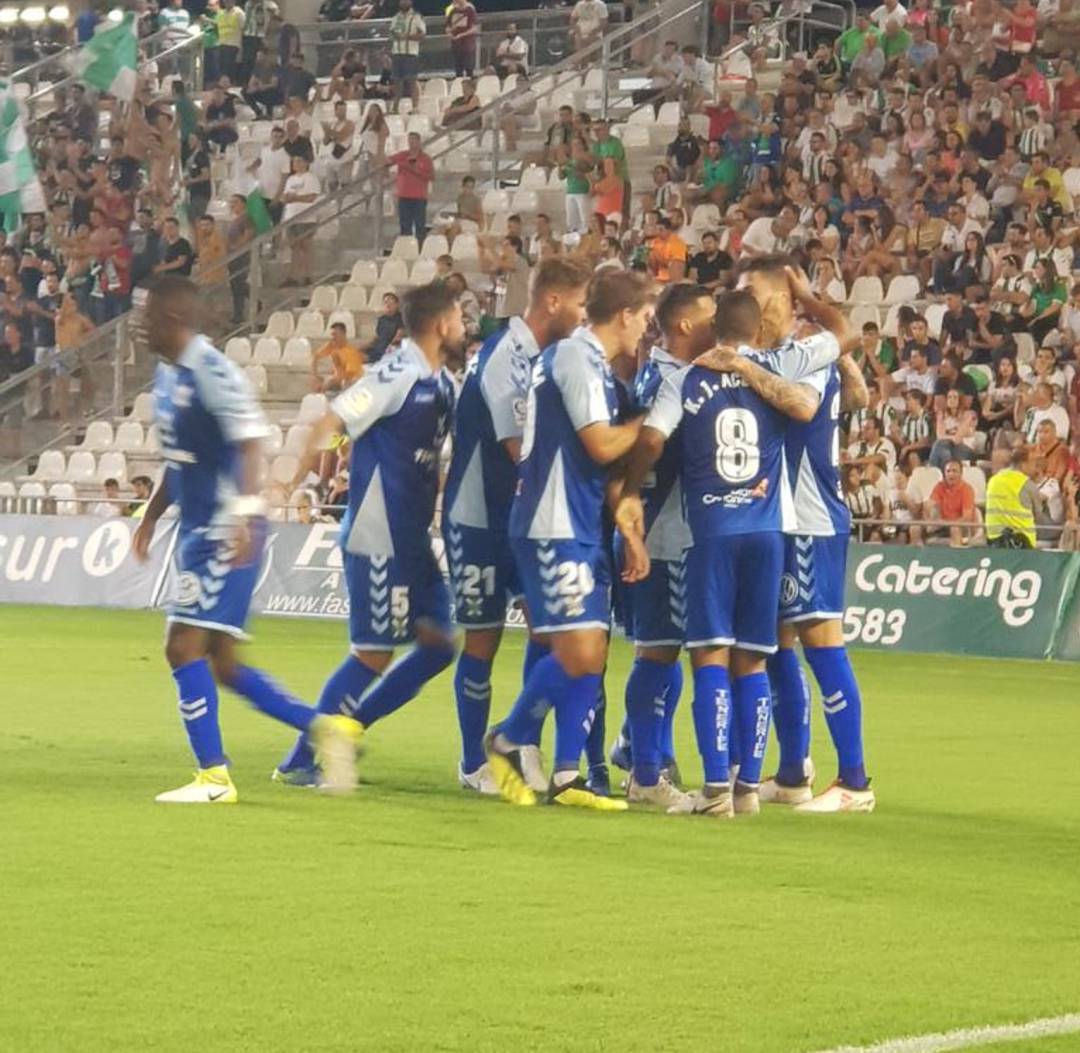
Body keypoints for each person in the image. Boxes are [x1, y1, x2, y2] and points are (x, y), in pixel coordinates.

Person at [131, 276, 359, 803]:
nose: (138, 323)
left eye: (147, 314)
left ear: (171, 318)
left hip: (224, 531)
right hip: (197, 530)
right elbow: (180, 458)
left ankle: (214, 777)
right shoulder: (167, 375)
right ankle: (327, 731)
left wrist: (243, 514)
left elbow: (250, 441)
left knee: (182, 647)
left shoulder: (211, 369)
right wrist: (151, 516)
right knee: (224, 664)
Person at [273, 282, 462, 784]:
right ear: (443, 323)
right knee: (373, 653)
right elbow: (335, 418)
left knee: (440, 645)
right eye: (461, 316)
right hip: (379, 534)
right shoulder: (396, 374)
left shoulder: (442, 382)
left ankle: (347, 728)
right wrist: (297, 479)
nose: (466, 325)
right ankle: (301, 760)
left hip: (413, 538)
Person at [484, 271, 650, 811]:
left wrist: (624, 521)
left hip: (578, 521)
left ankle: (566, 775)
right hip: (551, 522)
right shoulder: (575, 358)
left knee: (592, 652)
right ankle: (507, 740)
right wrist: (655, 426)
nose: (646, 328)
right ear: (624, 314)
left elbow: (596, 465)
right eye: (644, 317)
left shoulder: (594, 367)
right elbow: (601, 445)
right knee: (576, 650)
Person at [443, 258, 591, 794]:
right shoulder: (507, 356)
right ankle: (473, 763)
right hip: (479, 515)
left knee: (548, 631)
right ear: (553, 301)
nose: (582, 315)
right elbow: (517, 448)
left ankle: (522, 743)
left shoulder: (547, 356)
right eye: (578, 303)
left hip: (524, 517)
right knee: (483, 640)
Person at [736, 256, 875, 814]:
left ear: (781, 303)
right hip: (776, 519)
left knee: (823, 643)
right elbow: (858, 399)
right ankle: (793, 771)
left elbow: (815, 399)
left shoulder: (806, 351)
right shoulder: (778, 355)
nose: (745, 303)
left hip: (810, 519)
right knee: (774, 644)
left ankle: (855, 781)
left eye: (755, 294)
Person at [609, 285, 725, 809]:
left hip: (653, 529)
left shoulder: (654, 373)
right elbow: (650, 444)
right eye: (709, 315)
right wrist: (631, 497)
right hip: (664, 534)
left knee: (660, 650)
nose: (717, 321)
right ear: (683, 326)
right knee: (659, 652)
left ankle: (636, 748)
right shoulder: (675, 380)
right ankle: (646, 775)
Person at [986, 446, 1042, 548]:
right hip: (1022, 543)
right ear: (1023, 464)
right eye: (1033, 463)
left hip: (994, 541)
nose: (1035, 468)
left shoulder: (993, 480)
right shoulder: (1026, 484)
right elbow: (1038, 515)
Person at [278, 154, 321, 287]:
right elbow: (284, 197)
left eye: (299, 160)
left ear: (306, 163)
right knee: (294, 247)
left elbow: (312, 197)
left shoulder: (311, 178)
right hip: (291, 216)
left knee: (305, 246)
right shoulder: (291, 179)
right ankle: (293, 276)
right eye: (294, 161)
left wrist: (295, 198)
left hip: (306, 217)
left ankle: (308, 275)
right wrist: (287, 199)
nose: (296, 163)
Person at [388, 132, 434, 242]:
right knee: (404, 226)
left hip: (419, 198)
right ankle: (406, 249)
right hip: (404, 196)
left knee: (419, 226)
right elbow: (388, 160)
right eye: (410, 140)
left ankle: (420, 249)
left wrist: (414, 170)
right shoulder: (403, 155)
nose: (411, 143)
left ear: (419, 142)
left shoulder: (426, 159)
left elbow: (431, 176)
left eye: (414, 140)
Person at [927, 459, 979, 546]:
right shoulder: (939, 486)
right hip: (943, 526)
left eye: (954, 471)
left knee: (954, 529)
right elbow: (930, 505)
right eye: (948, 471)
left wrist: (949, 524)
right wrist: (931, 520)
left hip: (962, 526)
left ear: (961, 473)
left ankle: (956, 557)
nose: (951, 474)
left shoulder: (967, 489)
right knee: (915, 528)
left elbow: (967, 517)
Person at [389, 0, 426, 113]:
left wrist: (407, 36)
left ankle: (415, 107)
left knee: (412, 80)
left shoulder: (416, 17)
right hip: (397, 52)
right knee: (397, 81)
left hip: (411, 53)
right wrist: (395, 36)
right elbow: (392, 32)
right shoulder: (396, 17)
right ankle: (395, 107)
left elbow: (422, 34)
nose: (403, 2)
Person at [312, 320, 365, 392]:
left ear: (343, 334)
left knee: (342, 383)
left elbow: (350, 376)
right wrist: (315, 376)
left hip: (351, 383)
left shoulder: (351, 352)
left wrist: (330, 382)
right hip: (337, 380)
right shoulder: (331, 345)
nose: (333, 337)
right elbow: (316, 356)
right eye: (332, 335)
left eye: (335, 335)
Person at [446, 0, 479, 78]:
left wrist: (461, 35)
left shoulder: (470, 10)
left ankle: (469, 87)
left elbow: (474, 28)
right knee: (458, 69)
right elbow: (448, 26)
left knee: (469, 69)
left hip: (467, 46)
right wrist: (449, 33)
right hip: (456, 45)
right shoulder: (453, 11)